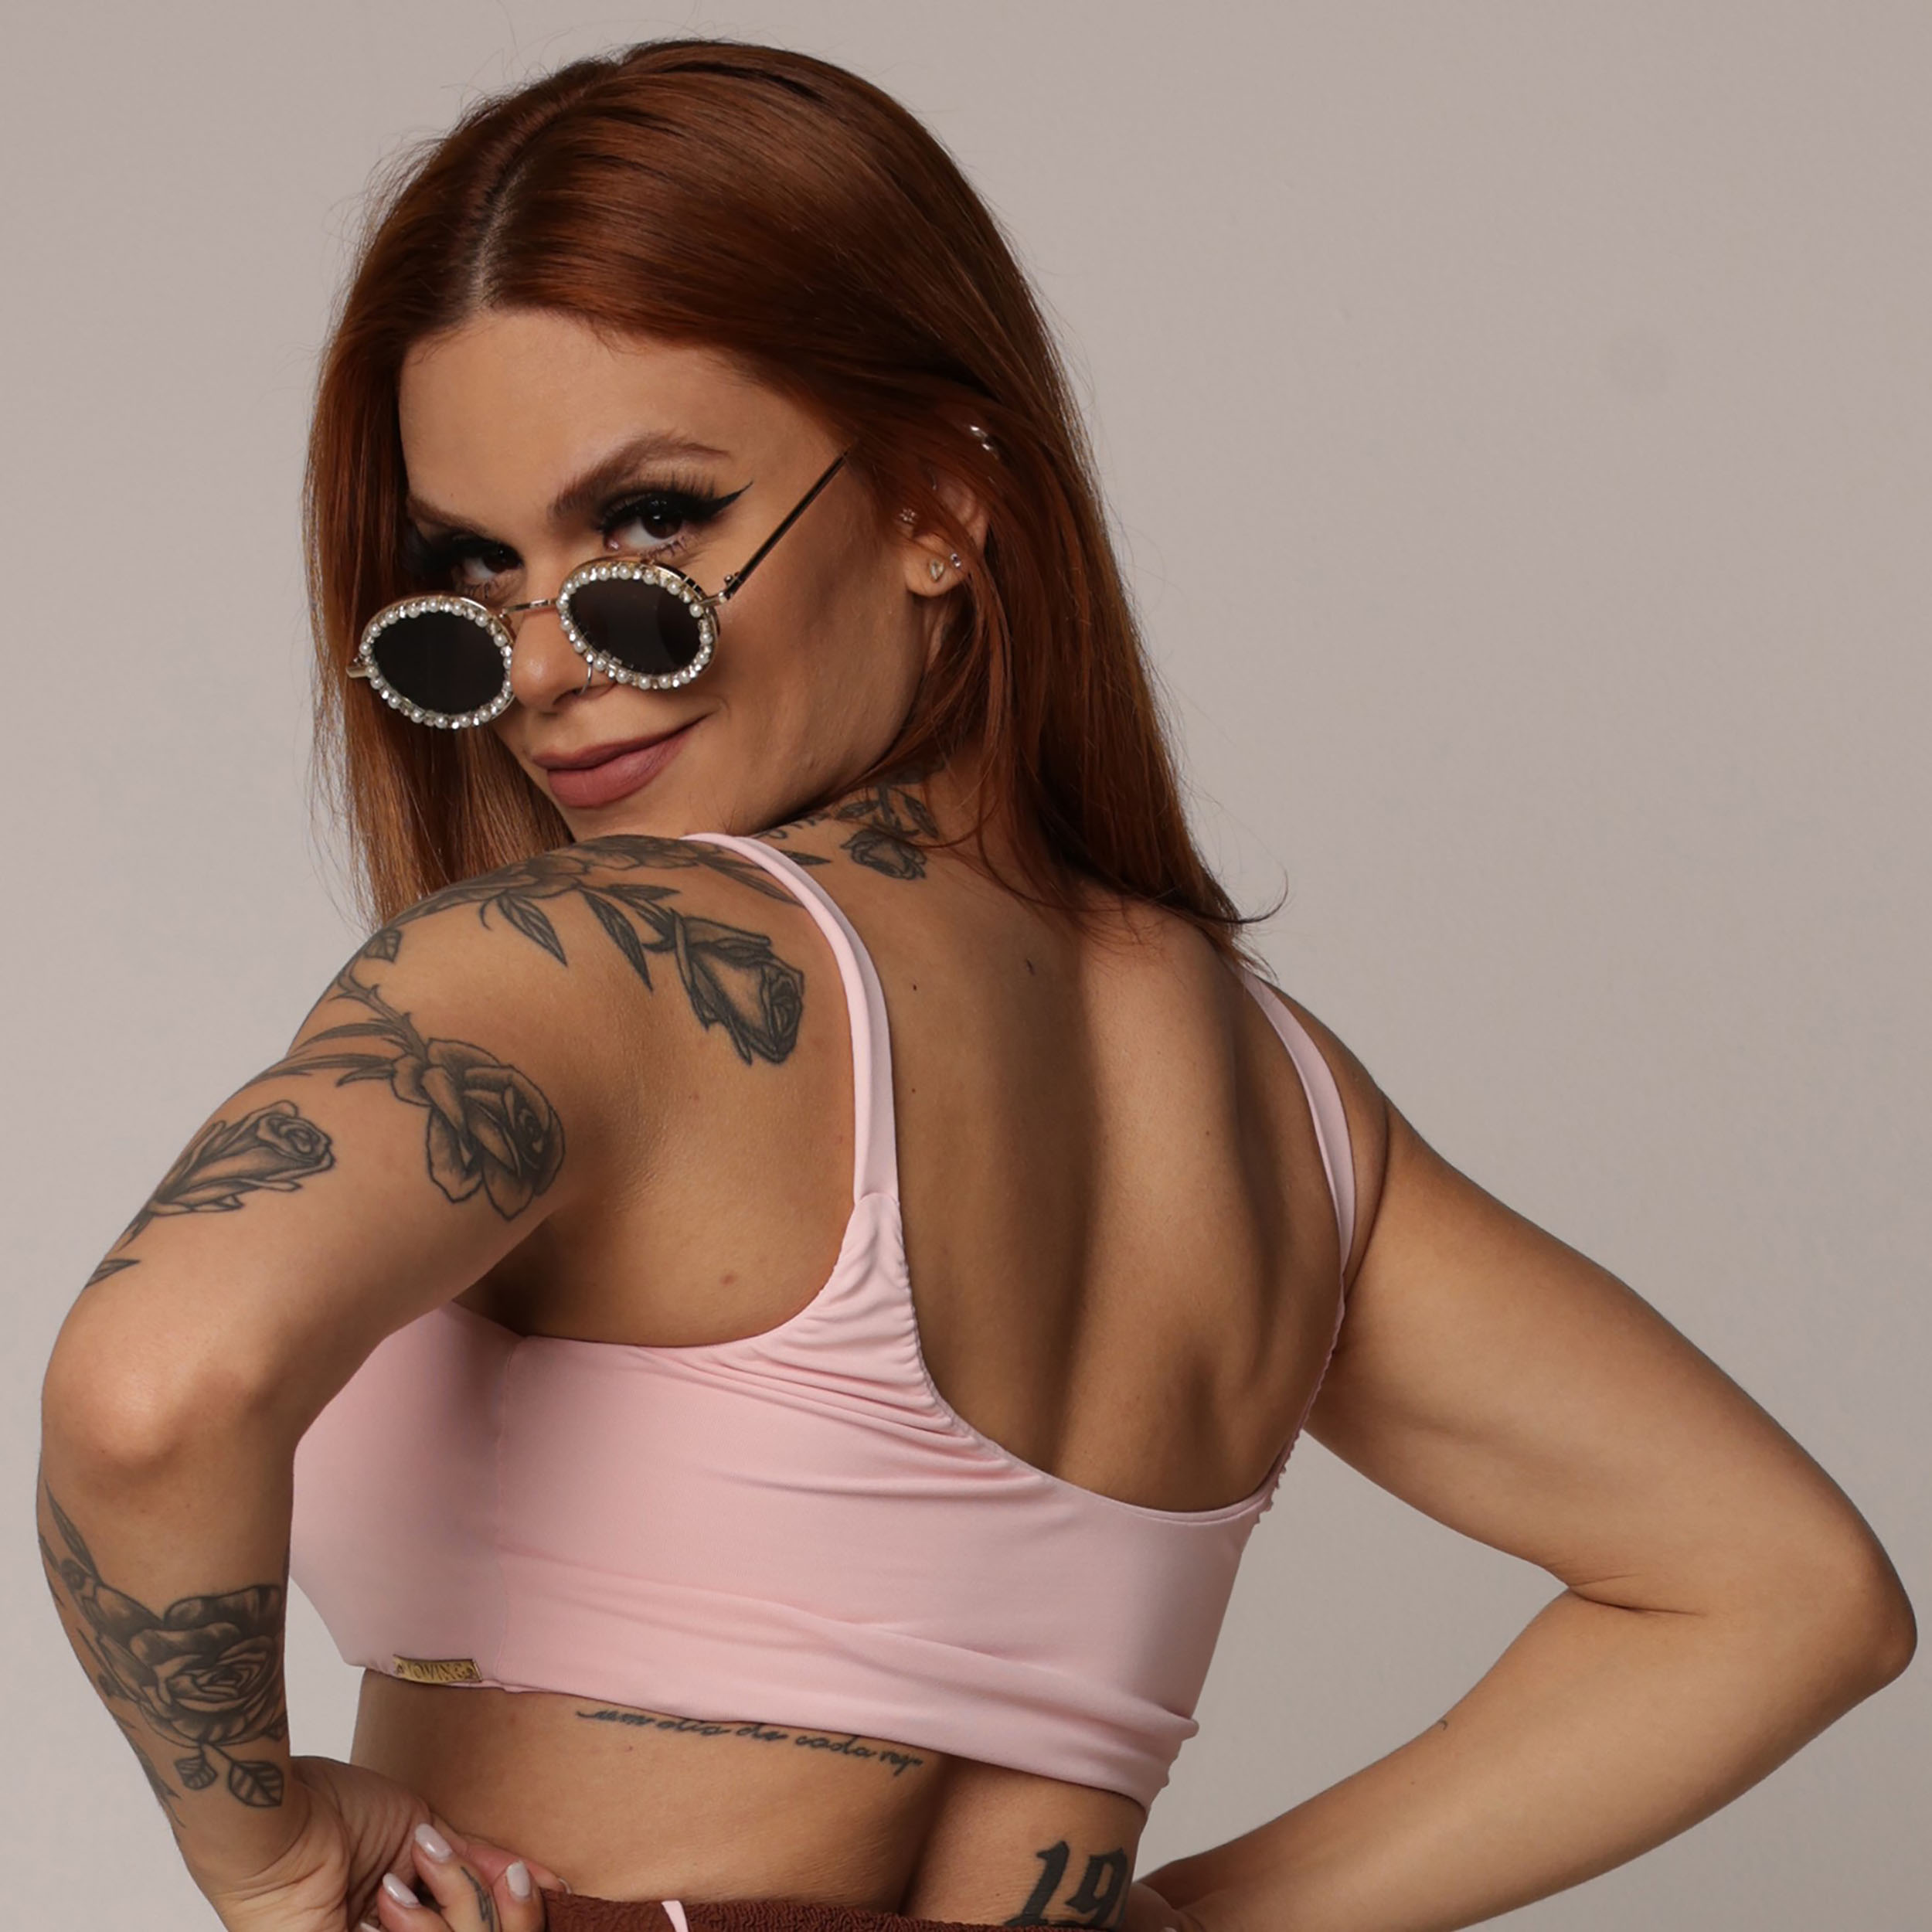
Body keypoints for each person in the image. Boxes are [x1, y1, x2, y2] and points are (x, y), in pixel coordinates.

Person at [36, 35, 1913, 1932]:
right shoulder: (1279, 1104)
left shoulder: (591, 962)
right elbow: (1777, 1591)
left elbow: (150, 1390)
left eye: (652, 524)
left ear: (939, 500)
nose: (541, 667)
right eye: (469, 570)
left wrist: (268, 1853)